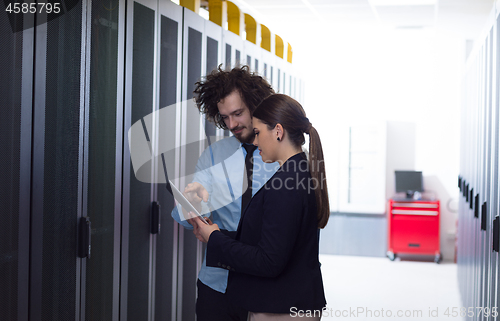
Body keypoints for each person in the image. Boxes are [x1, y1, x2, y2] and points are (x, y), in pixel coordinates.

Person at [192, 94, 330, 321]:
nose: (254, 142)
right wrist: (215, 235)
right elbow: (273, 240)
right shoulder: (298, 173)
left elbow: (269, 261)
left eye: (258, 133)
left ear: (278, 131)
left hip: (282, 308)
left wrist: (215, 238)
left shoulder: (285, 184)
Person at [170, 65, 278, 321]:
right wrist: (192, 202)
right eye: (225, 117)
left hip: (267, 287)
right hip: (217, 285)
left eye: (237, 113)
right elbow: (186, 217)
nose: (232, 124)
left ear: (256, 104)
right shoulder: (214, 155)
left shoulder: (281, 155)